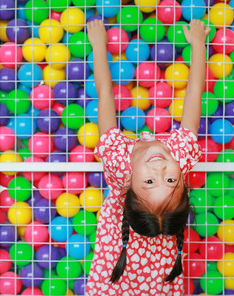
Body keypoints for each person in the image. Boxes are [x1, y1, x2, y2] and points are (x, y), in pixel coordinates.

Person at [85, 19, 210, 296]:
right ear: (182, 180)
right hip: (157, 258)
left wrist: (98, 46)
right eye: (169, 179)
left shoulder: (118, 159)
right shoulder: (181, 154)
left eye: (150, 182)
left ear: (128, 183)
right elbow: (193, 95)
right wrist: (199, 45)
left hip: (120, 253)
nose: (160, 166)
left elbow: (105, 95)